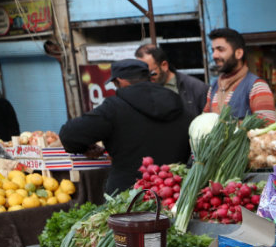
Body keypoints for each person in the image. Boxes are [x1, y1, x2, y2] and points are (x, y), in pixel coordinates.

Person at [59, 59, 192, 194]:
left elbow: (69, 135)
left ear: (120, 81)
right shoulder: (179, 104)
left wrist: (85, 148)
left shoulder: (114, 108)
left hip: (126, 198)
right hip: (174, 194)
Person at [203, 27, 275, 123]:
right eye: (213, 50)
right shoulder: (214, 88)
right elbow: (204, 123)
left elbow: (267, 129)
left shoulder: (257, 87)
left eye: (220, 50)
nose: (214, 55)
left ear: (239, 53)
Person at [135, 42, 208, 117]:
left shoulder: (196, 88)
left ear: (164, 66)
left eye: (151, 72)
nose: (147, 77)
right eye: (143, 73)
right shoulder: (142, 89)